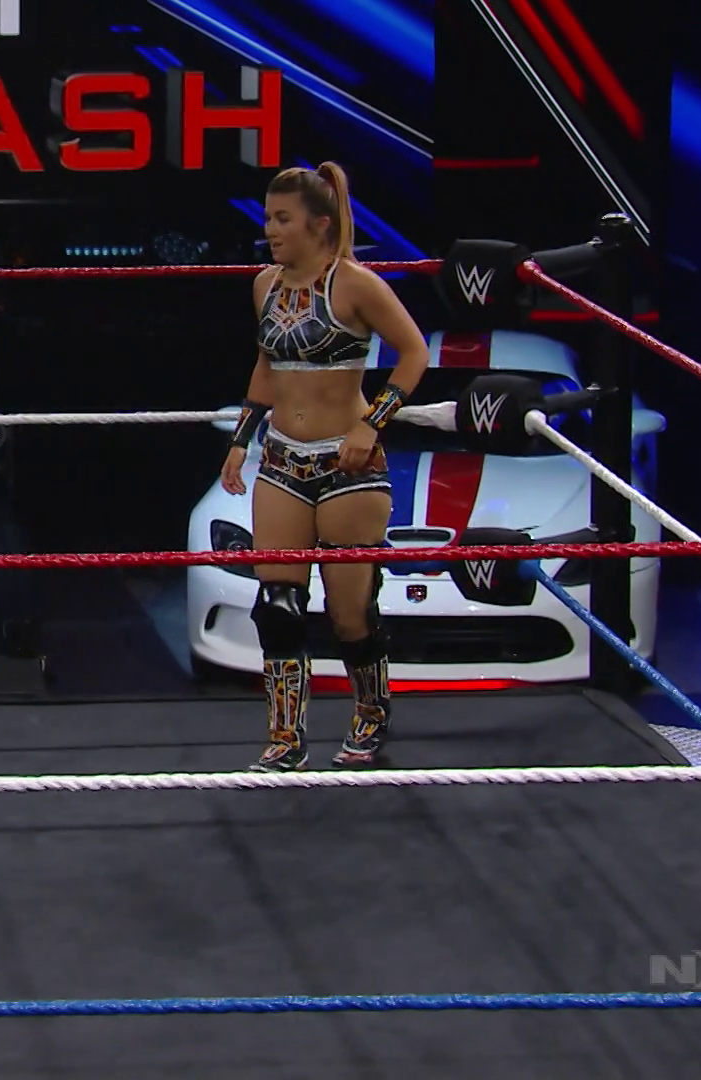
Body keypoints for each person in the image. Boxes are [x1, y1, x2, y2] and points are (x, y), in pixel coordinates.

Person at [219, 163, 430, 772]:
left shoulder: (355, 284)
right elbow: (266, 365)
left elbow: (414, 353)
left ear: (318, 224)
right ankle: (286, 738)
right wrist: (241, 440)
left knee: (349, 612)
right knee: (278, 603)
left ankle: (371, 713)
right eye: (268, 218)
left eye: (282, 219)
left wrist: (372, 423)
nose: (270, 230)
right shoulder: (264, 285)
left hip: (348, 463)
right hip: (282, 459)